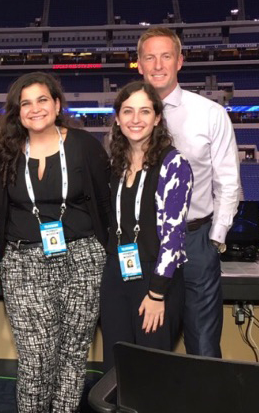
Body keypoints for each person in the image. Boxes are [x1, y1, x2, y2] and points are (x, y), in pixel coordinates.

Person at [0, 72, 110, 412]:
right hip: (22, 261)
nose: (35, 108)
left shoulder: (85, 145)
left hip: (82, 258)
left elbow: (104, 203)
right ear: (17, 112)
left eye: (42, 99)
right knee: (36, 356)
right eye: (25, 103)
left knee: (72, 354)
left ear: (57, 105)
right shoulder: (4, 153)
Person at [137, 27, 241, 357]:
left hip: (195, 239)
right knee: (149, 344)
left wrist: (214, 240)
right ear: (138, 64)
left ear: (180, 61)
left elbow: (228, 182)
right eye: (149, 57)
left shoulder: (210, 114)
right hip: (145, 242)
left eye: (165, 56)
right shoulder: (128, 116)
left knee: (203, 348)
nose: (157, 65)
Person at [100, 81, 192, 372]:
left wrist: (156, 293)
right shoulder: (115, 163)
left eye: (144, 111)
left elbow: (173, 236)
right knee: (115, 370)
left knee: (149, 373)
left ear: (157, 118)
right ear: (117, 118)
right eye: (128, 111)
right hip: (116, 274)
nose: (135, 119)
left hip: (155, 278)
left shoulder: (174, 164)